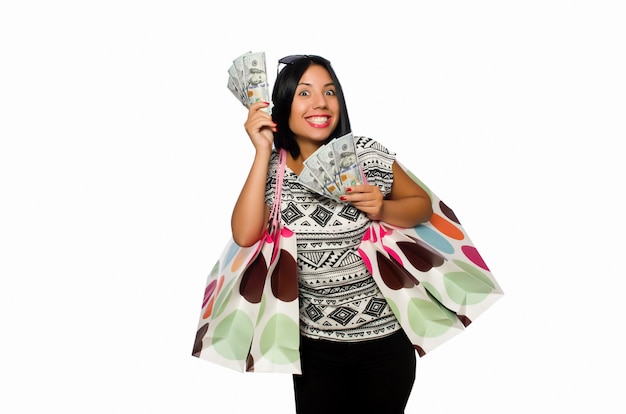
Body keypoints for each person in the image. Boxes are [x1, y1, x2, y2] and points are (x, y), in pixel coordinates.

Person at [231, 54, 433, 414]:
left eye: (330, 91)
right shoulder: (273, 173)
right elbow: (245, 235)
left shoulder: (366, 155)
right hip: (314, 350)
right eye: (304, 93)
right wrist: (262, 152)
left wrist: (383, 208)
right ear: (283, 105)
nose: (321, 102)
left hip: (386, 343)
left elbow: (422, 205)